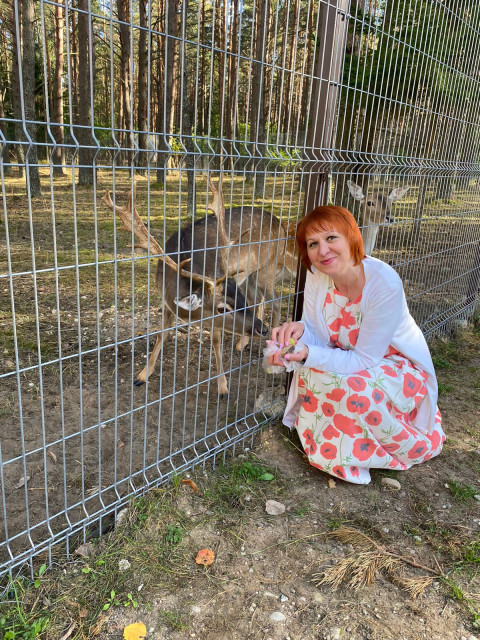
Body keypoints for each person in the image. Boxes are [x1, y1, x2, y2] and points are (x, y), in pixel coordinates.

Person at [267, 205, 445, 485]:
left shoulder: (383, 283)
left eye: (331, 238)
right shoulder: (317, 275)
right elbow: (317, 333)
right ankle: (332, 453)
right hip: (348, 356)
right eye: (313, 244)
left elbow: (363, 360)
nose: (322, 251)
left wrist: (308, 353)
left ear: (351, 237)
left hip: (393, 365)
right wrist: (299, 335)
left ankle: (380, 451)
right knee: (312, 374)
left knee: (353, 388)